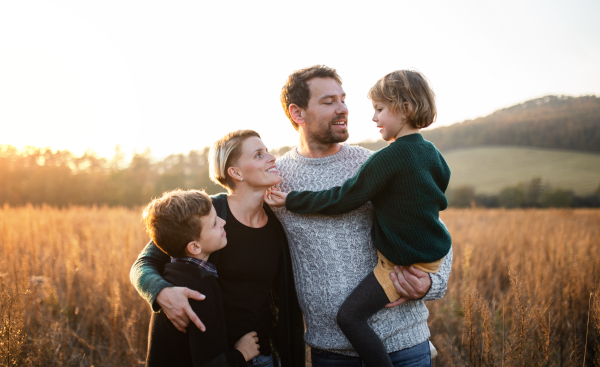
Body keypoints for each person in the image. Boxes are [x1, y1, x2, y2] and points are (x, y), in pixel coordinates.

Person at [265, 69, 451, 367]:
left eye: (343, 99)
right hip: (331, 353)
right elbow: (226, 221)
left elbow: (430, 224)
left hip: (405, 346)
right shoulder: (275, 179)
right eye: (329, 102)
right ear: (297, 112)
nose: (343, 109)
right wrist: (163, 284)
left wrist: (430, 283)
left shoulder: (374, 162)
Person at [130, 131, 305, 367]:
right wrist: (160, 291)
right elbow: (143, 263)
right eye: (258, 154)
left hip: (261, 354)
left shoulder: (278, 220)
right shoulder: (206, 213)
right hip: (216, 357)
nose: (272, 158)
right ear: (235, 172)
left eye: (267, 151)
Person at [142, 189, 259, 366]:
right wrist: (241, 353)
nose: (223, 221)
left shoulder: (172, 272)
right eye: (214, 224)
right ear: (195, 247)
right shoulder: (199, 291)